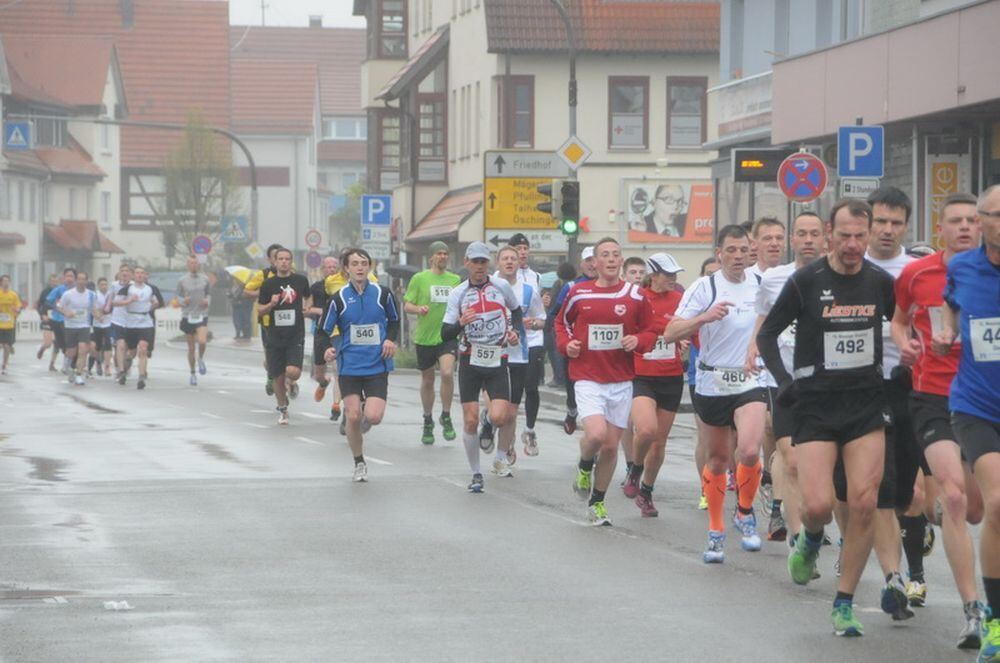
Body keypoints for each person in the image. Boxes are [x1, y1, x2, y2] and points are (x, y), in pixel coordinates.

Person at [757, 198, 896, 637]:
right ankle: (811, 540)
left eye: (861, 235)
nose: (853, 244)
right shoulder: (805, 281)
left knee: (864, 502)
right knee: (817, 505)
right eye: (845, 235)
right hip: (815, 405)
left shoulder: (879, 282)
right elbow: (766, 334)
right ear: (830, 236)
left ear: (869, 234)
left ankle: (844, 601)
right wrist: (784, 381)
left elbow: (901, 330)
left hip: (864, 406)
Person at [893, 192, 987, 649]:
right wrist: (907, 344)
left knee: (976, 509)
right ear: (941, 229)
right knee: (953, 498)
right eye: (957, 221)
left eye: (973, 219)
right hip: (933, 397)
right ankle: (974, 610)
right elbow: (898, 321)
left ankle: (929, 516)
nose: (966, 227)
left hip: (986, 402)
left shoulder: (990, 275)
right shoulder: (917, 274)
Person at [665, 224, 768, 562]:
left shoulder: (761, 284)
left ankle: (745, 512)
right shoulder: (704, 287)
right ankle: (715, 529)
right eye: (731, 250)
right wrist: (704, 317)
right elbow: (670, 333)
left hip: (750, 379)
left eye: (743, 250)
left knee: (750, 450)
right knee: (719, 459)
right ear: (719, 252)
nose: (738, 256)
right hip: (712, 382)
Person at [932, 184, 1000, 662]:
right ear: (981, 222)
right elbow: (951, 305)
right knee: (996, 504)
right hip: (977, 404)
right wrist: (946, 331)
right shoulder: (962, 267)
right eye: (994, 215)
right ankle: (995, 622)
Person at [556, 237, 657, 526]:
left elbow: (651, 331)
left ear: (621, 260)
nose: (611, 260)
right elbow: (560, 323)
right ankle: (585, 466)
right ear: (595, 263)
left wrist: (638, 340)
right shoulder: (578, 292)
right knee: (597, 435)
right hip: (588, 377)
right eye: (605, 255)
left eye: (616, 255)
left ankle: (597, 502)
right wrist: (567, 345)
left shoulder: (635, 296)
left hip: (621, 380)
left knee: (612, 448)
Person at [857, 186, 919, 622]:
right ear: (867, 223)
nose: (887, 230)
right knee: (879, 487)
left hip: (910, 387)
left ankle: (914, 560)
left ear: (906, 226)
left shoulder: (917, 271)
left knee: (908, 492)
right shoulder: (848, 266)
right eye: (880, 221)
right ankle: (894, 578)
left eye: (896, 223)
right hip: (860, 389)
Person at [747, 211, 825, 544]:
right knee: (788, 454)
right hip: (784, 379)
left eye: (814, 234)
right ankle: (796, 534)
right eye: (801, 234)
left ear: (825, 238)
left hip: (829, 385)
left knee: (819, 463)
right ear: (793, 239)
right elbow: (765, 318)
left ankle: (813, 513)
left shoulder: (840, 275)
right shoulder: (775, 279)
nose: (808, 240)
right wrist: (753, 347)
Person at [440, 242, 522, 494]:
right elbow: (445, 333)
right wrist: (461, 324)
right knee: (469, 419)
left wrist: (514, 332)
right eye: (474, 262)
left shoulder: (502, 287)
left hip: (497, 359)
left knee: (500, 416)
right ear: (466, 263)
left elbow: (516, 312)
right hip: (470, 361)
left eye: (483, 262)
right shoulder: (458, 294)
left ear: (489, 264)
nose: (479, 267)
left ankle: (492, 431)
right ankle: (476, 474)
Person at [323, 248, 399, 482]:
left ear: (369, 267)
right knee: (353, 417)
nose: (359, 268)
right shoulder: (338, 299)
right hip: (349, 366)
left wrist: (389, 339)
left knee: (373, 417)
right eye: (354, 263)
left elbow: (394, 321)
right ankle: (359, 462)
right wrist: (328, 348)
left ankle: (364, 409)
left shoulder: (382, 294)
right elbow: (323, 329)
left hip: (377, 364)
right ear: (346, 268)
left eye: (364, 263)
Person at [625, 253, 686, 517]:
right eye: (668, 274)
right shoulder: (637, 298)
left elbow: (690, 329)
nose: (673, 279)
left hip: (671, 376)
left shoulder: (680, 299)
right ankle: (635, 469)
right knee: (647, 430)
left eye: (675, 274)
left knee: (659, 443)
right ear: (653, 275)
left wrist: (685, 339)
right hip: (641, 374)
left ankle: (647, 491)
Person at [493, 245, 545, 473]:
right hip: (492, 355)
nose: (509, 262)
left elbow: (541, 319)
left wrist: (531, 323)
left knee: (511, 413)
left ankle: (501, 457)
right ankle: (488, 422)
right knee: (496, 411)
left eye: (513, 258)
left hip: (518, 355)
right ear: (498, 263)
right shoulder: (490, 288)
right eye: (505, 258)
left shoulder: (527, 291)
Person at [403, 241, 460, 445]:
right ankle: (428, 419)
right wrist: (418, 309)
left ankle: (446, 414)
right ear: (431, 257)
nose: (443, 256)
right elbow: (408, 304)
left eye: (446, 253)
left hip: (447, 336)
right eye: (439, 253)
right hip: (425, 337)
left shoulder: (455, 280)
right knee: (428, 380)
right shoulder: (420, 278)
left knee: (446, 373)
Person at [257, 248, 311, 425]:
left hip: (295, 334)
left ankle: (291, 383)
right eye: (281, 259)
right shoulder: (268, 284)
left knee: (293, 372)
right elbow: (260, 309)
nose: (284, 262)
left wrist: (306, 309)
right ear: (275, 262)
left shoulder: (300, 280)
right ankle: (283, 409)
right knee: (277, 377)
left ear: (291, 261)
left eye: (287, 259)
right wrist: (271, 304)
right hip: (274, 335)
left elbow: (308, 297)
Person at [549, 246, 598, 435]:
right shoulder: (572, 287)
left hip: (602, 353)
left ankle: (593, 441)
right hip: (576, 349)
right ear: (582, 264)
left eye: (595, 260)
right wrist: (564, 340)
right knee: (572, 387)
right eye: (588, 261)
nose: (592, 265)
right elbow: (556, 316)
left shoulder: (614, 286)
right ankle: (571, 410)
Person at [506, 233, 547, 456]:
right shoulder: (499, 277)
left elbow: (539, 309)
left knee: (531, 386)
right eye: (518, 248)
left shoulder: (536, 277)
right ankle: (506, 436)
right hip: (509, 341)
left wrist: (540, 314)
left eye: (525, 248)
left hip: (532, 338)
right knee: (513, 392)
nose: (522, 252)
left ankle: (529, 430)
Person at [691, 256, 721, 510]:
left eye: (716, 273)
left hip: (736, 376)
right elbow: (675, 327)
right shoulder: (697, 298)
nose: (712, 277)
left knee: (738, 441)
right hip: (700, 375)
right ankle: (705, 487)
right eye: (707, 273)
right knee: (706, 437)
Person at [244, 243, 285, 396]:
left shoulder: (290, 275)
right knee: (271, 355)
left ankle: (286, 382)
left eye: (282, 257)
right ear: (270, 259)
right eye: (276, 257)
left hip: (287, 322)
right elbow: (247, 290)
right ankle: (271, 376)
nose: (279, 261)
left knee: (286, 355)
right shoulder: (264, 275)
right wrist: (261, 293)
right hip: (268, 322)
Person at [115, 266, 158, 390]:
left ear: (145, 275)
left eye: (142, 273)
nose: (139, 275)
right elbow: (116, 303)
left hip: (145, 322)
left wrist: (153, 306)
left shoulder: (150, 289)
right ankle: (123, 370)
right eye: (137, 273)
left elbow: (155, 302)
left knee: (143, 349)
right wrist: (129, 301)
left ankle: (141, 376)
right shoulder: (127, 289)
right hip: (131, 322)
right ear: (133, 275)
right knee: (132, 352)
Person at [308, 256, 340, 408]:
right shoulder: (315, 287)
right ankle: (323, 383)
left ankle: (336, 405)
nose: (331, 269)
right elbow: (306, 309)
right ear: (322, 269)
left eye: (334, 267)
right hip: (320, 331)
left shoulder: (343, 287)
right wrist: (322, 311)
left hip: (338, 332)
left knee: (337, 368)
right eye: (328, 267)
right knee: (318, 373)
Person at [56, 270, 95, 386]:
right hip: (70, 326)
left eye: (84, 279)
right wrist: (66, 313)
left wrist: (98, 315)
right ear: (76, 281)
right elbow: (59, 307)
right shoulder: (68, 294)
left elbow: (94, 309)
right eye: (79, 279)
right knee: (72, 352)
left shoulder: (91, 295)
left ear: (87, 281)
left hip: (84, 325)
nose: (81, 281)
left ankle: (79, 375)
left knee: (83, 349)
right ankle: (68, 366)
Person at [177, 256, 211, 386]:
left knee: (202, 341)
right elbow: (178, 295)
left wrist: (207, 301)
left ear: (199, 265)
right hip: (188, 315)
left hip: (202, 314)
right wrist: (182, 301)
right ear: (187, 265)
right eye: (191, 263)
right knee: (191, 348)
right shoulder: (182, 280)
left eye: (196, 263)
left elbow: (208, 294)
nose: (194, 265)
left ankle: (201, 358)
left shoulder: (205, 279)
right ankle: (192, 373)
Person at [46, 268, 77, 374]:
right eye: (67, 276)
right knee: (62, 344)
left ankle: (69, 363)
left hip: (72, 321)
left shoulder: (78, 290)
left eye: (71, 276)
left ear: (75, 278)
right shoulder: (59, 289)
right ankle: (69, 361)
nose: (69, 278)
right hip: (58, 319)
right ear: (63, 278)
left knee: (71, 343)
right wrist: (57, 308)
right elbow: (48, 302)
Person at [89, 277, 113, 377]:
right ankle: (96, 363)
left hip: (108, 323)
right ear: (98, 286)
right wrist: (98, 316)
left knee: (108, 345)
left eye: (105, 284)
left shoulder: (110, 295)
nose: (104, 286)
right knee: (96, 347)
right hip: (97, 324)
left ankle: (107, 367)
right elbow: (92, 309)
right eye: (102, 284)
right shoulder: (95, 295)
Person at [0, 275, 23, 374]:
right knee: (3, 345)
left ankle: (4, 364)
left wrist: (15, 310)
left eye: (8, 281)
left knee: (6, 346)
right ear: (1, 283)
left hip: (9, 324)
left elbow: (18, 309)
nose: (6, 283)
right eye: (4, 281)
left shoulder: (13, 295)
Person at [35, 274, 59, 369]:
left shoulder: (60, 291)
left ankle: (52, 363)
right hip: (47, 319)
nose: (54, 283)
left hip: (58, 319)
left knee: (57, 343)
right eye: (52, 281)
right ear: (49, 282)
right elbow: (39, 305)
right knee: (48, 343)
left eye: (55, 281)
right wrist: (42, 315)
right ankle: (42, 348)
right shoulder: (45, 292)